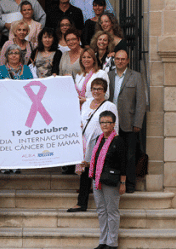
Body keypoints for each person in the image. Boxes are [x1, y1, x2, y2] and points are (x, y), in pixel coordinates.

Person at [67, 78, 118, 212]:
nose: (96, 92)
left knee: (98, 171)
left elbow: (115, 126)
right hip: (85, 143)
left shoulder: (110, 106)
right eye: (94, 89)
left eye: (99, 89)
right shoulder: (86, 103)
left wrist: (111, 144)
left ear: (105, 91)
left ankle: (103, 204)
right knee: (85, 172)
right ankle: (81, 203)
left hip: (101, 143)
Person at [108, 50, 146, 193]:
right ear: (114, 60)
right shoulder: (108, 75)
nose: (120, 61)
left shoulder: (136, 76)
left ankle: (130, 184)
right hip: (111, 123)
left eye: (123, 59)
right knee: (112, 154)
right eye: (117, 59)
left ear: (128, 60)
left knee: (129, 155)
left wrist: (138, 122)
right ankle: (113, 181)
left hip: (129, 123)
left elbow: (141, 102)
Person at [89, 110, 126, 249]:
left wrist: (122, 183)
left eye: (107, 122)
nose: (104, 125)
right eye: (102, 122)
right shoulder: (99, 139)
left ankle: (112, 243)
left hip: (111, 181)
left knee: (112, 211)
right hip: (97, 180)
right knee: (101, 210)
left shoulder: (118, 141)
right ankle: (103, 241)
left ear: (113, 124)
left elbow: (124, 164)